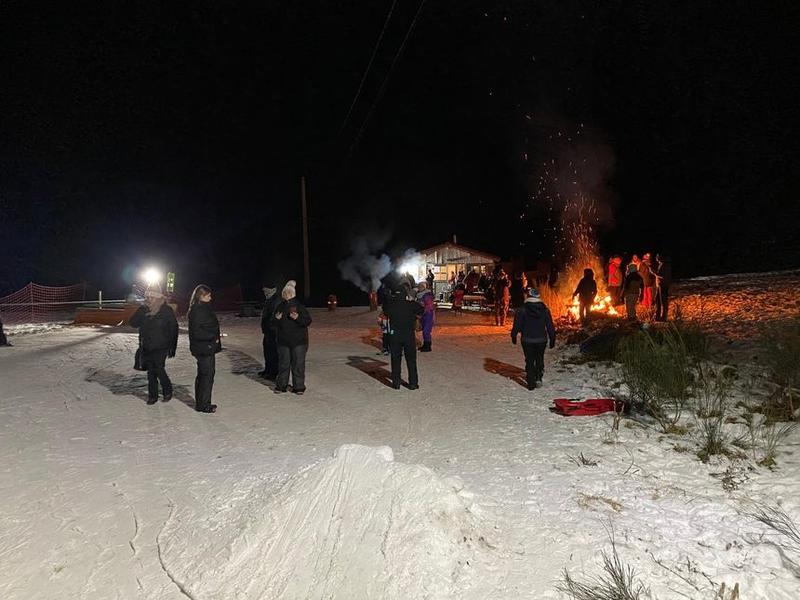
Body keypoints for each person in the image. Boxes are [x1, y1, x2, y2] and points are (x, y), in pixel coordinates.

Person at [129, 284, 178, 405]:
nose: (149, 299)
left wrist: (172, 347)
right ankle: (153, 396)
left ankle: (167, 390)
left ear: (158, 297)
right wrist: (140, 312)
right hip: (147, 345)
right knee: (151, 371)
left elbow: (173, 328)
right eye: (148, 297)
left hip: (162, 346)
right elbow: (133, 323)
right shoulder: (144, 309)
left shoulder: (166, 310)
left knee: (159, 368)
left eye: (152, 297)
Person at [510, 288, 557, 389]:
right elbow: (550, 325)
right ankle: (538, 377)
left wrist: (514, 335)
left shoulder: (522, 310)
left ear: (528, 296)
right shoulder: (545, 310)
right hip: (541, 340)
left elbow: (517, 325)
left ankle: (531, 382)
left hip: (527, 339)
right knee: (539, 358)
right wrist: (552, 338)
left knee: (529, 359)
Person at [271, 280, 312, 394]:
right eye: (285, 293)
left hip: (298, 342)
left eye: (289, 293)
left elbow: (307, 321)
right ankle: (281, 386)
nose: (287, 295)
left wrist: (298, 318)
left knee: (298, 365)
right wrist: (276, 319)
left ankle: (298, 387)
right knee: (283, 364)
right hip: (283, 341)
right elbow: (272, 323)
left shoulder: (299, 306)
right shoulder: (280, 306)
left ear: (292, 294)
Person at [188, 284, 221, 413]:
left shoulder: (203, 308)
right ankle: (204, 404)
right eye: (208, 296)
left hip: (206, 346)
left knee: (205, 375)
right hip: (204, 347)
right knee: (206, 375)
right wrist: (213, 337)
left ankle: (202, 403)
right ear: (201, 296)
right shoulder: (198, 310)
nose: (210, 298)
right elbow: (197, 332)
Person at [382, 285, 423, 389]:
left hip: (394, 335)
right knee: (411, 360)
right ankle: (413, 383)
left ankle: (396, 383)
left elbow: (385, 310)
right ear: (405, 294)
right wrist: (411, 300)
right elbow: (421, 310)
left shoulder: (391, 305)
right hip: (408, 335)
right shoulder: (410, 304)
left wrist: (390, 298)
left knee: (395, 359)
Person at [259, 285, 280, 380]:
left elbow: (273, 316)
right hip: (268, 330)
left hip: (273, 331)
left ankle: (273, 372)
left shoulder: (275, 300)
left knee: (273, 352)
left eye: (265, 290)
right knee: (267, 351)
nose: (264, 291)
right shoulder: (269, 299)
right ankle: (268, 370)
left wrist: (271, 327)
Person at [416, 282, 435, 352]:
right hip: (424, 315)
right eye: (419, 286)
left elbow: (429, 306)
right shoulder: (419, 295)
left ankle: (427, 346)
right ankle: (425, 345)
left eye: (421, 286)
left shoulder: (427, 295)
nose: (419, 288)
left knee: (426, 331)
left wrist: (422, 308)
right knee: (424, 330)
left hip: (428, 314)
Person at [653, 254, 672, 321]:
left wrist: (654, 273)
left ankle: (664, 317)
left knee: (663, 301)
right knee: (658, 300)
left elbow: (663, 276)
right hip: (660, 285)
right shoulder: (662, 264)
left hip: (663, 285)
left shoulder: (665, 265)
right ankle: (657, 316)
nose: (656, 258)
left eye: (657, 257)